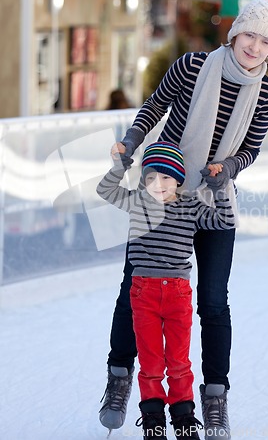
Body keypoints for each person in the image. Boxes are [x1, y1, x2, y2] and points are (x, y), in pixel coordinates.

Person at [99, 0, 268, 440]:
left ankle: (215, 400)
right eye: (250, 35)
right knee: (135, 286)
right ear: (235, 31)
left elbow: (250, 148)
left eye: (265, 42)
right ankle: (120, 379)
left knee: (214, 302)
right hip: (165, 193)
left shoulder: (267, 94)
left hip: (215, 200)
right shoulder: (191, 67)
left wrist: (228, 170)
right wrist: (129, 143)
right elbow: (153, 108)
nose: (255, 47)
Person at [97, 141, 235, 439]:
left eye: (165, 177)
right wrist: (120, 166)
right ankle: (153, 422)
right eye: (149, 178)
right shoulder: (137, 202)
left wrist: (220, 188)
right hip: (143, 293)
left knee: (178, 362)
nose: (156, 184)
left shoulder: (190, 206)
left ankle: (184, 419)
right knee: (150, 363)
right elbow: (104, 191)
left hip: (177, 294)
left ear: (179, 179)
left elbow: (224, 220)